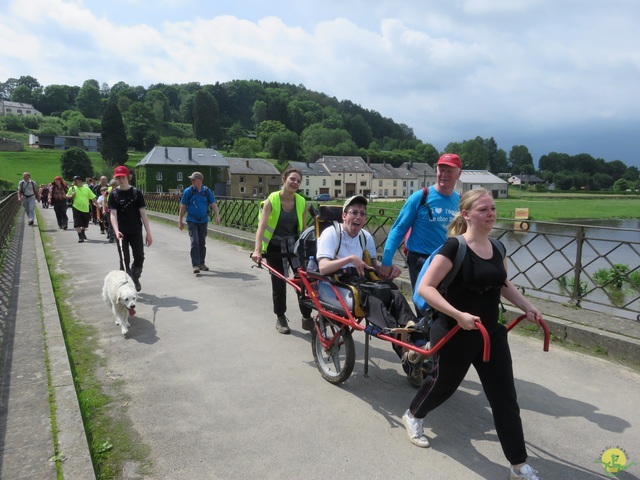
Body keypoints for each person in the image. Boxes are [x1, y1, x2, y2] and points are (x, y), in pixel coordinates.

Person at [401, 188, 544, 480]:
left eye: (492, 208)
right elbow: (426, 288)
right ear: (466, 214)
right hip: (454, 329)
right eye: (483, 209)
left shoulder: (498, 248)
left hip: (490, 333)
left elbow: (504, 283)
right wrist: (458, 315)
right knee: (444, 384)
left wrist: (528, 306)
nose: (491, 214)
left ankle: (518, 464)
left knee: (505, 397)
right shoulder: (454, 247)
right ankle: (413, 415)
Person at [381, 153, 462, 316]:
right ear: (436, 170)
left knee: (447, 308)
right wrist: (386, 261)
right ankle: (423, 339)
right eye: (441, 170)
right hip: (421, 259)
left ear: (459, 173)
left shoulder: (460, 201)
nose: (444, 174)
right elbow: (398, 228)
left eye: (449, 171)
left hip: (448, 261)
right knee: (425, 307)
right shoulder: (420, 197)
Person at [251, 168, 314, 334]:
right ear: (284, 179)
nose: (295, 183)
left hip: (295, 246)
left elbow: (304, 227)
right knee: (278, 283)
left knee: (303, 281)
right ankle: (280, 317)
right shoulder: (272, 200)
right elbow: (262, 226)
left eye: (298, 181)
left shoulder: (301, 202)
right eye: (292, 179)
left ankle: (307, 317)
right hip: (275, 247)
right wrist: (257, 250)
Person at [108, 165, 153, 292]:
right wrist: (116, 231)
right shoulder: (114, 195)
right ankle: (127, 288)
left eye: (123, 177)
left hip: (135, 230)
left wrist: (148, 233)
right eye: (118, 178)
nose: (121, 180)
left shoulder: (136, 193)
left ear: (128, 177)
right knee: (124, 260)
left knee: (139, 257)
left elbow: (143, 213)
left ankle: (135, 277)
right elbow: (113, 214)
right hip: (121, 232)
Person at [178, 171, 220, 274]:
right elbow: (183, 207)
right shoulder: (188, 191)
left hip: (203, 220)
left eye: (194, 179)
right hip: (192, 220)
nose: (192, 181)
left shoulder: (206, 191)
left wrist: (218, 216)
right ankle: (195, 265)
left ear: (200, 180)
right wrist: (180, 221)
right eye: (191, 179)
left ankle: (202, 263)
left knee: (202, 242)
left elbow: (213, 204)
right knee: (195, 242)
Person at [66, 175, 97, 242]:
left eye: (76, 180)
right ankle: (80, 237)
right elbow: (66, 196)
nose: (75, 181)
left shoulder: (86, 188)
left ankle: (83, 231)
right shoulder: (72, 188)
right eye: (74, 180)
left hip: (85, 208)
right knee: (77, 223)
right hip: (76, 207)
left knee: (85, 223)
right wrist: (71, 195)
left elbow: (93, 197)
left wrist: (97, 205)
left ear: (80, 181)